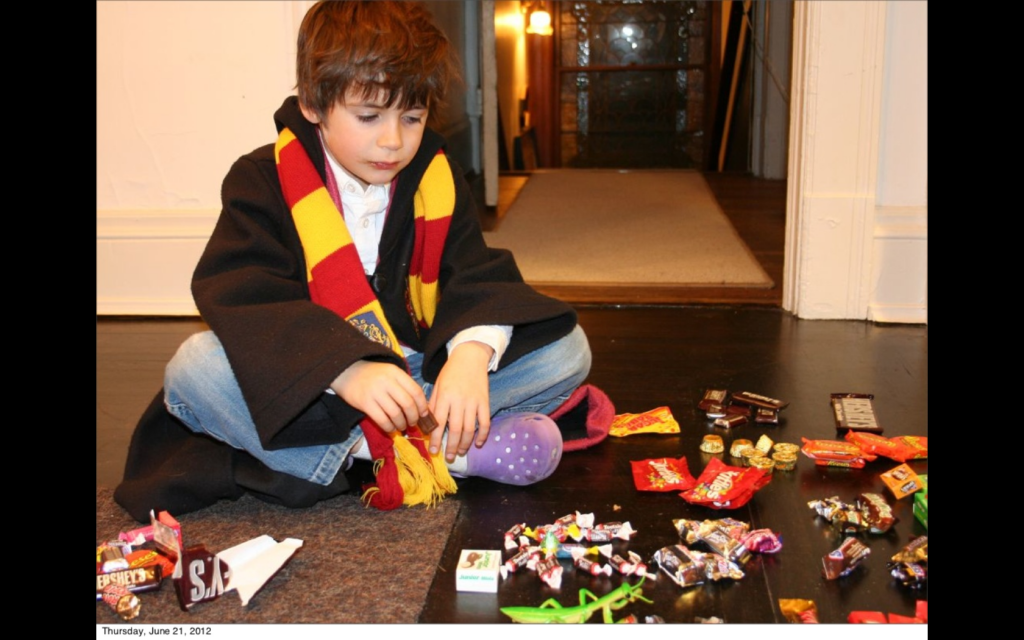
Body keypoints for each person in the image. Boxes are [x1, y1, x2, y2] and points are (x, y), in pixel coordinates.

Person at [114, 1, 613, 522]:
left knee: (566, 349)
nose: (393, 141)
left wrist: (469, 358)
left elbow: (474, 271)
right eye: (369, 116)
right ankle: (397, 456)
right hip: (325, 393)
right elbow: (245, 293)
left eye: (412, 117)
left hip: (419, 374)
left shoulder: (433, 177)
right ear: (313, 103)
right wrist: (347, 369)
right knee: (195, 368)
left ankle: (423, 432)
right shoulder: (262, 178)